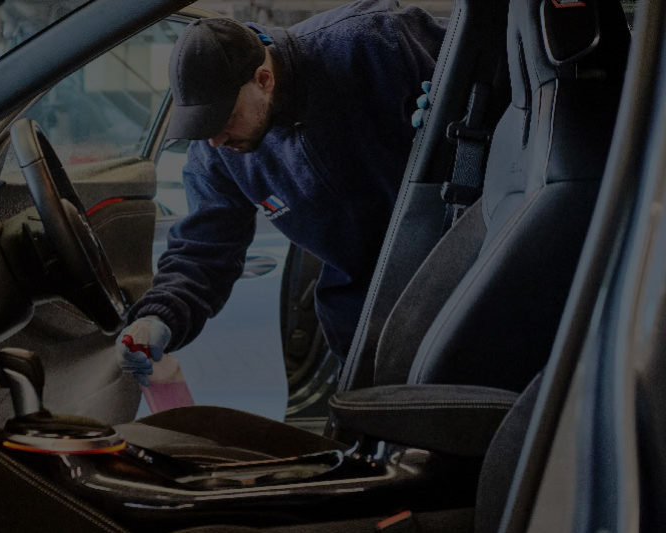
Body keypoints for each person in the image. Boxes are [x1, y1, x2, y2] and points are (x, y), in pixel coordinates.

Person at [117, 0, 446, 386]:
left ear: (263, 79)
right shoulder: (216, 155)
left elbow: (505, 69)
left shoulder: (371, 41)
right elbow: (203, 254)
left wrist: (460, 118)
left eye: (224, 119)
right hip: (363, 315)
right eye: (203, 125)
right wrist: (159, 316)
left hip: (459, 274)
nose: (216, 139)